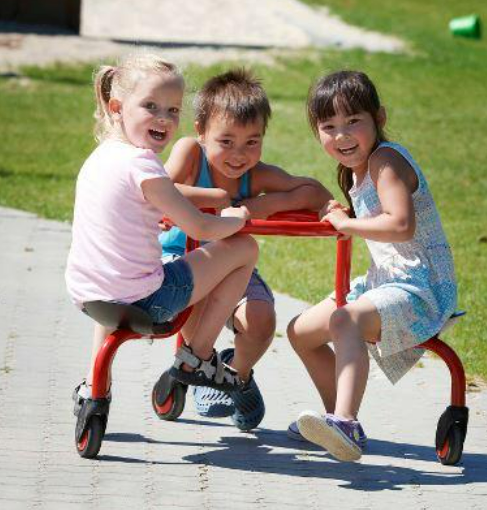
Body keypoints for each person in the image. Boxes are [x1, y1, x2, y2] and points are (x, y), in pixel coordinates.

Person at [66, 54, 260, 415]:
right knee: (244, 249)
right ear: (117, 107)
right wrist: (236, 219)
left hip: (89, 296)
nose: (163, 118)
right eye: (151, 106)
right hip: (149, 302)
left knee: (117, 283)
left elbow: (142, 206)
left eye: (173, 110)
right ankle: (197, 356)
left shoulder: (101, 157)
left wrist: (202, 200)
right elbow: (201, 227)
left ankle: (95, 389)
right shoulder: (143, 164)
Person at [287, 70, 457, 461]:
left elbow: (400, 224)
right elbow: (372, 214)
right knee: (300, 332)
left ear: (378, 118)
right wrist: (338, 212)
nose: (342, 136)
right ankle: (337, 425)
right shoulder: (357, 169)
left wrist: (347, 224)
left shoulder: (386, 160)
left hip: (421, 288)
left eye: (353, 122)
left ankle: (344, 422)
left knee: (344, 319)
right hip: (385, 282)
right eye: (329, 127)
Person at [159, 68, 332, 430]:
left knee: (261, 320)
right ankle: (202, 365)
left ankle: (236, 375)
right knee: (193, 303)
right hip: (180, 259)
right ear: (201, 132)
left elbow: (314, 192)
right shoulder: (190, 153)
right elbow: (160, 189)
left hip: (235, 265)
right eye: (226, 141)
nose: (239, 155)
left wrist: (262, 205)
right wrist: (217, 198)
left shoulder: (256, 176)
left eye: (252, 142)